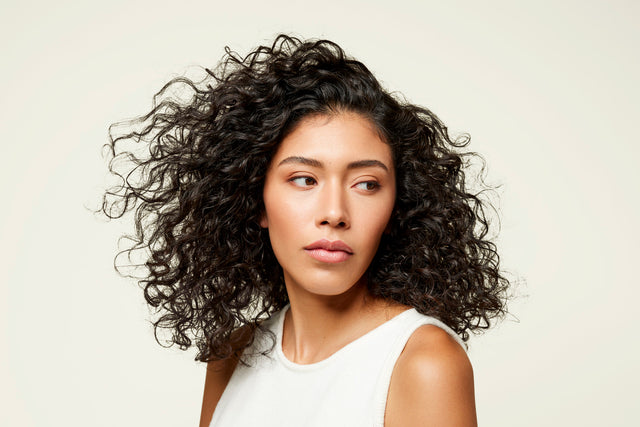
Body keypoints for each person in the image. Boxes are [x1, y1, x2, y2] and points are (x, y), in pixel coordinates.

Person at [102, 34, 509, 426]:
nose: (334, 213)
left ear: (396, 208)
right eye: (304, 179)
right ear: (255, 199)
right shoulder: (233, 354)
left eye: (367, 184)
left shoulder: (422, 362)